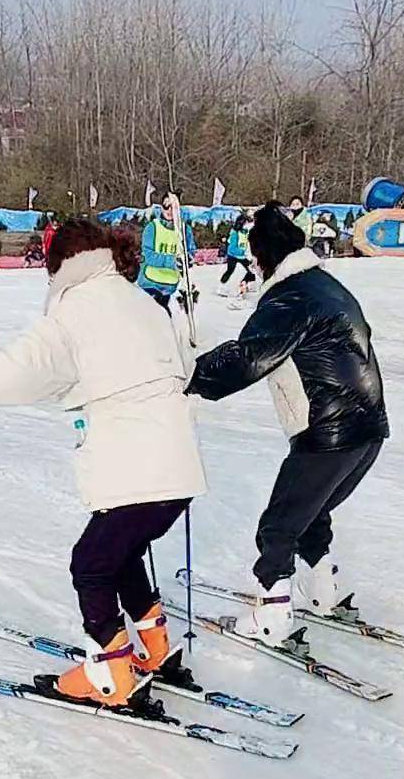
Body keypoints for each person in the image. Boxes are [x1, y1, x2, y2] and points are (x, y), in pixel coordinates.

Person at [0, 217, 206, 707]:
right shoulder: (146, 304)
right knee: (122, 557)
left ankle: (113, 675)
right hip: (178, 467)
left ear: (61, 265)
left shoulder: (77, 310)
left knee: (91, 565)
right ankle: (155, 649)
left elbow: (24, 368)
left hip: (134, 469)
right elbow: (182, 367)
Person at [187, 201, 389, 643]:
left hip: (328, 432)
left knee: (278, 526)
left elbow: (249, 358)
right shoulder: (326, 285)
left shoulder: (289, 296)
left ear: (263, 256)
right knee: (310, 512)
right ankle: (322, 591)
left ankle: (272, 616)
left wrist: (190, 374)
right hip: (367, 427)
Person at [139, 194, 195, 311]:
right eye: (166, 206)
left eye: (173, 206)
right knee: (156, 316)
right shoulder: (152, 227)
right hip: (150, 282)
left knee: (164, 316)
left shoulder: (184, 230)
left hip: (169, 284)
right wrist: (172, 261)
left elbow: (190, 251)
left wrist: (188, 259)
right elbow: (147, 255)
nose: (169, 210)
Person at [219, 213, 255, 295]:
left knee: (252, 270)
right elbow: (232, 246)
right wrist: (243, 252)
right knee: (230, 270)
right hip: (233, 255)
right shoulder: (235, 233)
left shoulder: (246, 232)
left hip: (243, 256)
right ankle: (221, 287)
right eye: (245, 223)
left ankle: (245, 284)